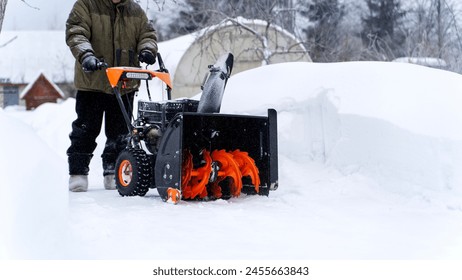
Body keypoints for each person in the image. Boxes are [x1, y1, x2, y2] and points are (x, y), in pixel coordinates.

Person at [65, 0, 158, 192]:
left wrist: (147, 50)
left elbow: (147, 34)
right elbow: (76, 32)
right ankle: (78, 173)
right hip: (93, 81)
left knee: (120, 133)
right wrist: (86, 55)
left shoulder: (135, 10)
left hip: (124, 82)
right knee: (85, 130)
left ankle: (113, 172)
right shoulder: (86, 5)